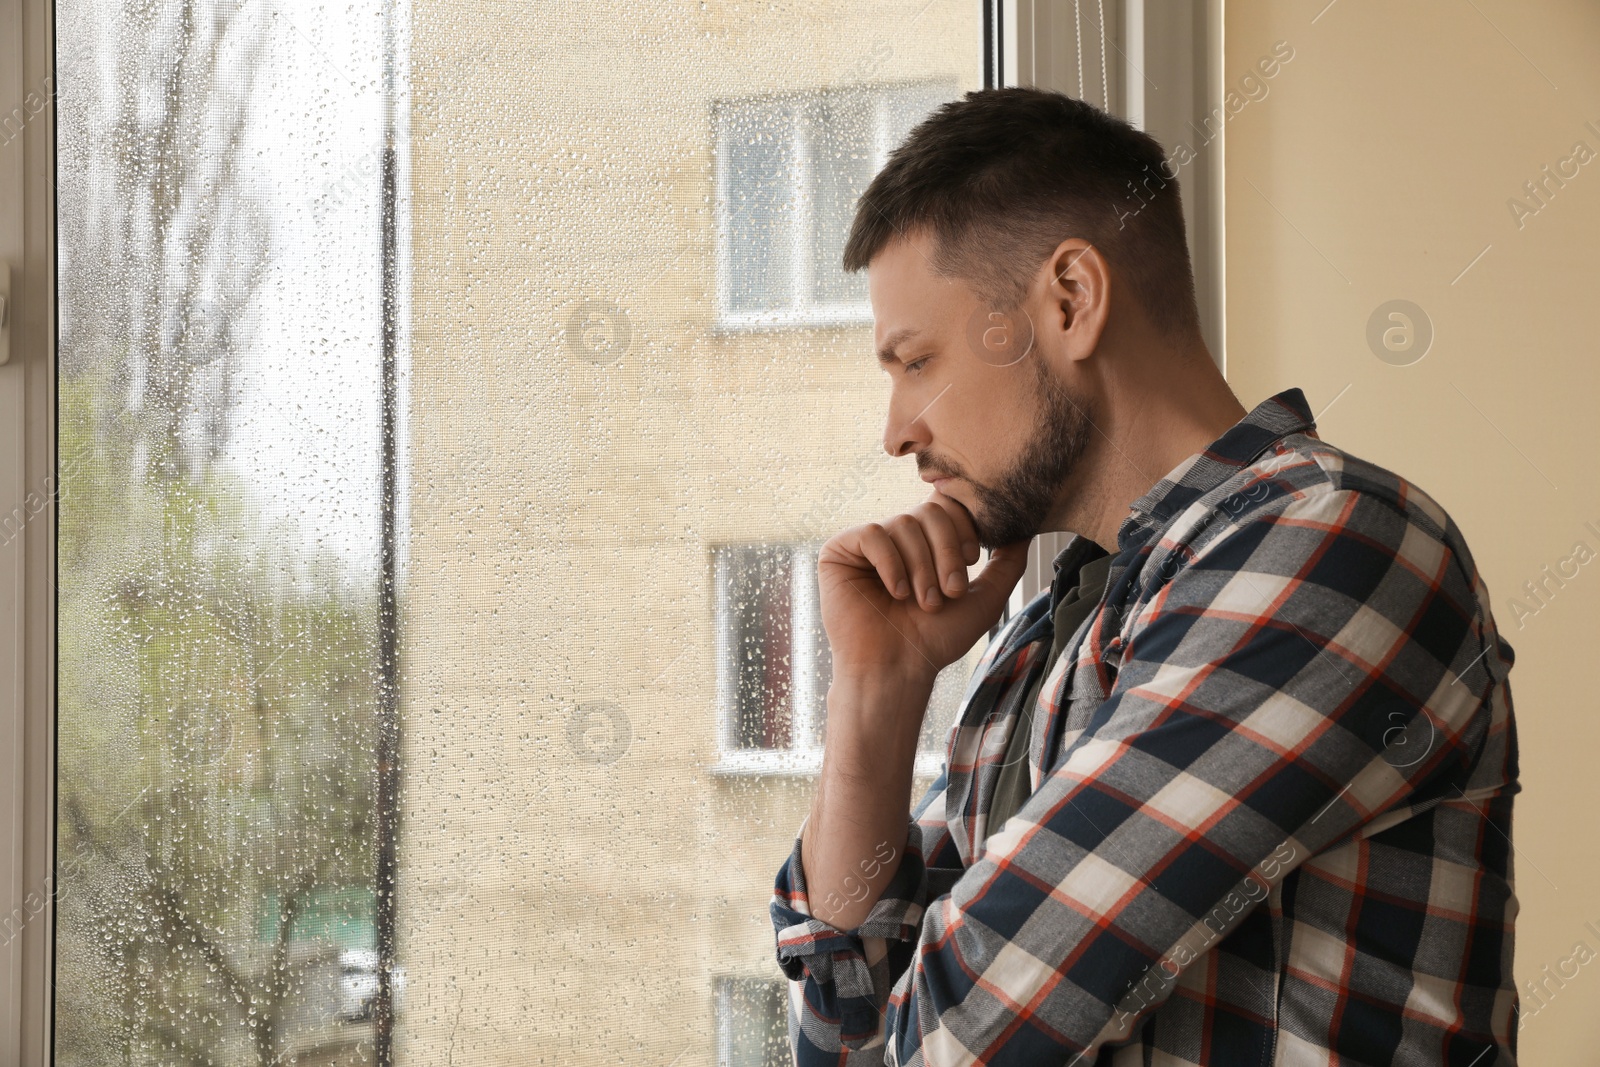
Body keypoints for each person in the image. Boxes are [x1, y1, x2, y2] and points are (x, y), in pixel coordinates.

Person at [768, 86, 1519, 1067]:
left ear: (1070, 301)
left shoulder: (1332, 548)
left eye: (915, 360)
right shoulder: (1046, 637)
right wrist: (875, 695)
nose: (896, 430)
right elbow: (846, 1039)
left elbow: (956, 1039)